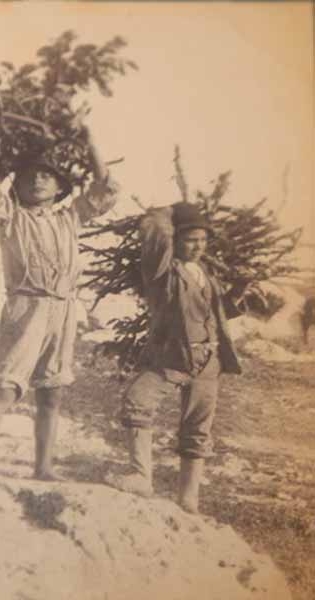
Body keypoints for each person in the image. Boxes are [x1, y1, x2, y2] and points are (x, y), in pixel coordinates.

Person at [0, 123, 120, 492]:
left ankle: (44, 466)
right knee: (5, 388)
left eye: (48, 177)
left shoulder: (70, 218)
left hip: (63, 310)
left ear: (61, 188)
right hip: (27, 306)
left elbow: (107, 189)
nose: (39, 182)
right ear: (18, 184)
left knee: (52, 391)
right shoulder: (11, 216)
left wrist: (91, 141)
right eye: (31, 176)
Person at [107, 202, 247, 514]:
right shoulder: (161, 270)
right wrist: (173, 209)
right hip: (171, 358)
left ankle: (188, 499)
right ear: (175, 240)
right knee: (137, 401)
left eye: (202, 240)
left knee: (197, 428)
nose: (197, 246)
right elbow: (155, 228)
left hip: (208, 361)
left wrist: (236, 297)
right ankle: (141, 475)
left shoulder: (205, 274)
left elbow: (211, 313)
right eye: (189, 240)